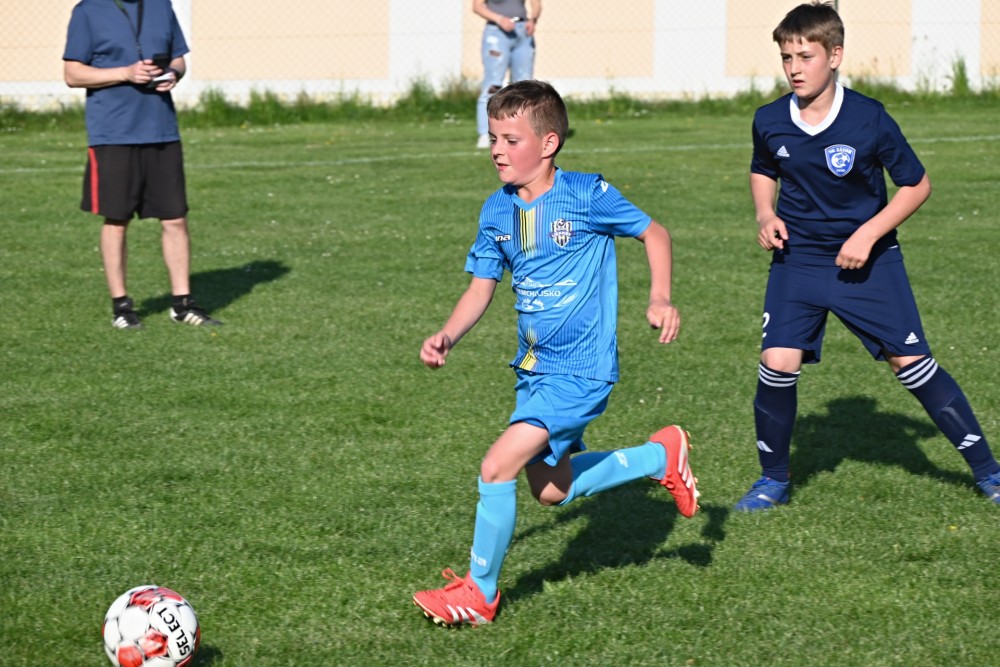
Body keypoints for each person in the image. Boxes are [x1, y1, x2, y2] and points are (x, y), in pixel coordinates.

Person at [412, 80, 700, 627]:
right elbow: (480, 287)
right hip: (533, 371)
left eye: (510, 139)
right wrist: (448, 334)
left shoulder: (587, 194)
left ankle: (479, 594)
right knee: (551, 489)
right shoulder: (497, 211)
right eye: (493, 138)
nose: (497, 150)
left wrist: (659, 297)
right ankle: (659, 457)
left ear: (548, 144)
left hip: (582, 370)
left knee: (496, 466)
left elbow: (655, 233)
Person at [736, 1, 1000, 511]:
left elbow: (916, 185)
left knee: (911, 363)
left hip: (869, 264)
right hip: (799, 262)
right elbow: (763, 168)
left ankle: (989, 472)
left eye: (805, 57)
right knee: (776, 363)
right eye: (787, 57)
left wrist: (868, 234)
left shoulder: (868, 118)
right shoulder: (769, 119)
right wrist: (765, 214)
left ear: (835, 56)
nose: (794, 69)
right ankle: (772, 481)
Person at [63, 0, 221, 329]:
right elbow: (73, 74)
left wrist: (173, 73)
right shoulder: (88, 11)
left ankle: (182, 304)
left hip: (162, 129)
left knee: (175, 218)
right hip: (113, 133)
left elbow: (178, 58)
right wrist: (125, 73)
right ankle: (122, 307)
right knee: (117, 219)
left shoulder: (161, 5)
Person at [472, 0, 541, 150]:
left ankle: (521, 131)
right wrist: (500, 19)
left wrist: (533, 19)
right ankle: (485, 133)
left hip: (523, 32)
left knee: (524, 87)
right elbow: (477, 6)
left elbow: (536, 4)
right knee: (493, 85)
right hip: (497, 31)